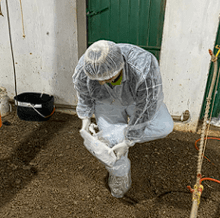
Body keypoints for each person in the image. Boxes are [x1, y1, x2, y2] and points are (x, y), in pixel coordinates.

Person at [72, 40, 173, 198]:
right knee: (112, 145)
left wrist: (127, 141)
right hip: (106, 101)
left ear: (121, 66)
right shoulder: (85, 68)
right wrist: (85, 120)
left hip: (136, 100)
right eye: (98, 79)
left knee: (164, 126)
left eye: (107, 78)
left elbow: (146, 106)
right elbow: (84, 95)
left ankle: (110, 137)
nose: (101, 82)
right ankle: (119, 173)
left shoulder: (143, 67)